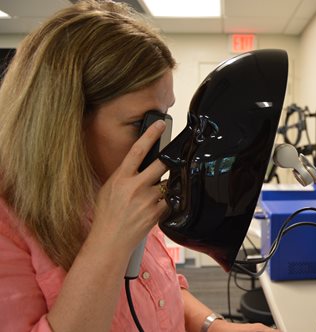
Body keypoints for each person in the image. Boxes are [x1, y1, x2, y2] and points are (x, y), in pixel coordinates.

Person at [0, 1, 276, 331]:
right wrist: (108, 243)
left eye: (164, 117)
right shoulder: (8, 226)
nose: (161, 148)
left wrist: (213, 326)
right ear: (64, 123)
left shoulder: (115, 184)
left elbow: (158, 287)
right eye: (141, 123)